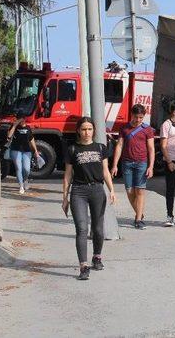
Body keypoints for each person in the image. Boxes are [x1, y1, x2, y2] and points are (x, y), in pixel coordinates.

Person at [62, 117, 116, 280]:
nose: (87, 132)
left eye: (90, 129)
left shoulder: (101, 148)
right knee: (82, 229)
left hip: (97, 190)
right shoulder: (72, 149)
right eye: (84, 129)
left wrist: (111, 190)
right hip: (78, 191)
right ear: (78, 130)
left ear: (94, 130)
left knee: (98, 230)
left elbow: (106, 171)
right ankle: (83, 266)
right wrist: (64, 197)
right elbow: (67, 175)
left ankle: (97, 256)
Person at [111, 104, 155, 230]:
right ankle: (139, 213)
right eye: (136, 117)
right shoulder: (124, 128)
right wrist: (114, 165)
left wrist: (151, 166)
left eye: (141, 117)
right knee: (130, 191)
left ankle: (138, 219)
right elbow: (119, 146)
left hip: (142, 163)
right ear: (131, 115)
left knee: (140, 191)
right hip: (127, 163)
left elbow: (151, 149)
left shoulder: (147, 130)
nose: (138, 120)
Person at [6, 113, 39, 194]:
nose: (20, 120)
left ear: (24, 119)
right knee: (18, 168)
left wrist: (36, 151)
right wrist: (14, 125)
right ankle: (21, 186)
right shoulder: (13, 126)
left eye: (21, 119)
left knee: (26, 169)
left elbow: (31, 139)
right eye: (19, 119)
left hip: (26, 150)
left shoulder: (28, 128)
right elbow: (9, 136)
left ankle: (25, 180)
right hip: (15, 150)